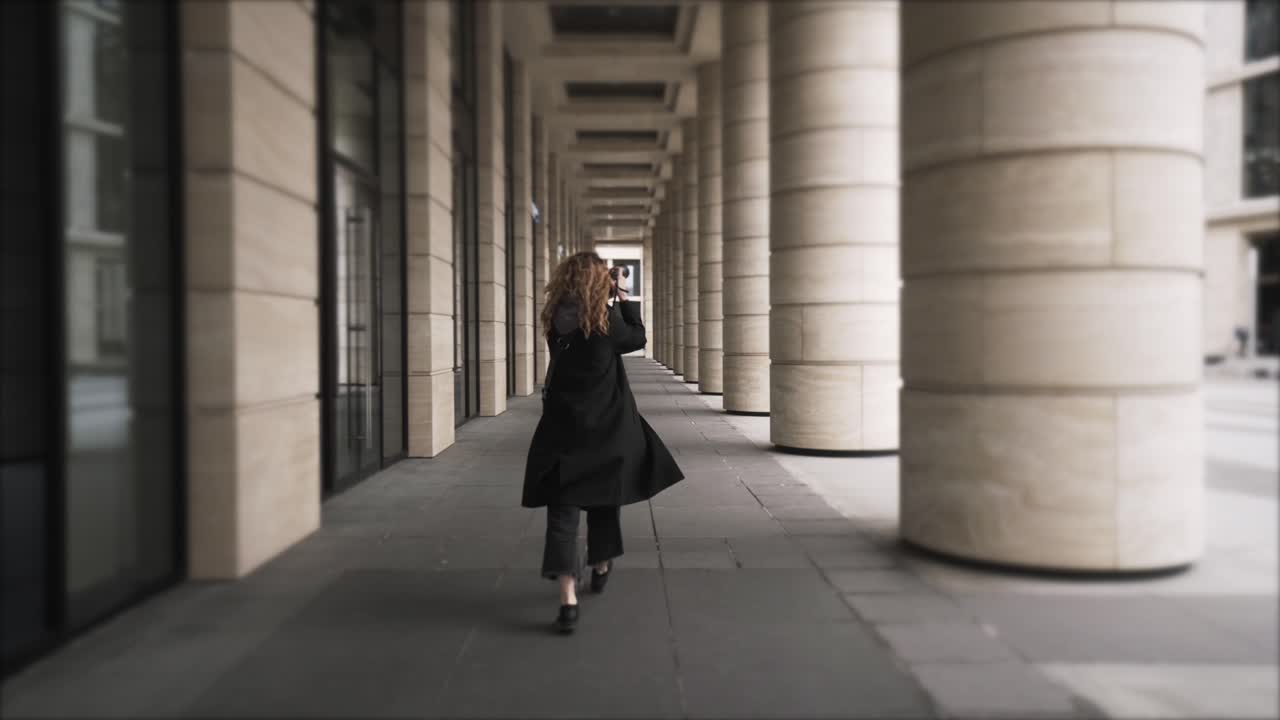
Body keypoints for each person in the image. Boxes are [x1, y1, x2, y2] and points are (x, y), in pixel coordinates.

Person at [522, 251, 684, 634]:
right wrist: (623, 300)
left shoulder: (556, 319)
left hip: (563, 431)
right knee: (603, 501)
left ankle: (567, 601)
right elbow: (638, 338)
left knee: (562, 516)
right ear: (600, 283)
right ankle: (600, 564)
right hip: (606, 430)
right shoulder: (607, 323)